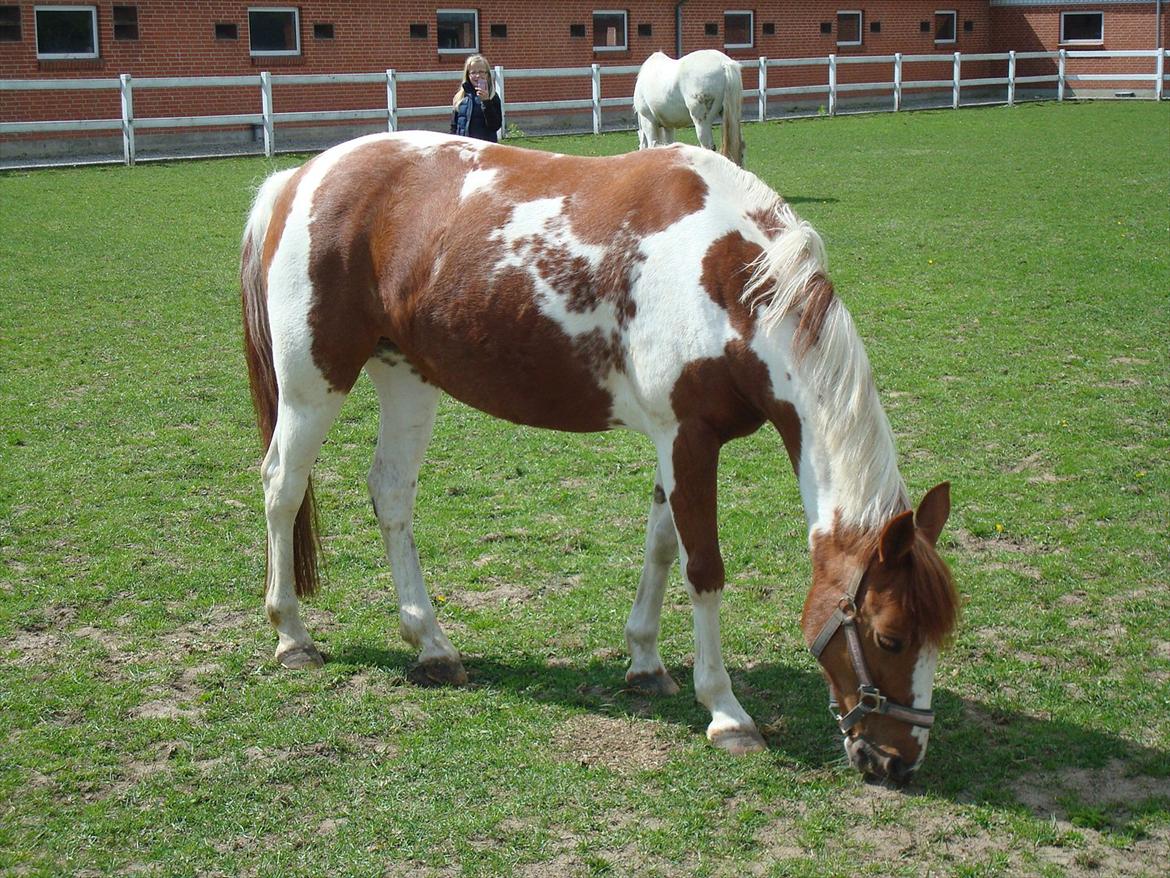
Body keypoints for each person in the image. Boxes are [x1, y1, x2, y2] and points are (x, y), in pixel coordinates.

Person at [450, 54, 502, 142]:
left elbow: (495, 126)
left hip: (484, 148)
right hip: (464, 146)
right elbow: (454, 126)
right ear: (468, 75)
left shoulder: (493, 97)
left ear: (487, 75)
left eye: (481, 72)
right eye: (473, 72)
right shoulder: (460, 97)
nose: (477, 75)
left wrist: (486, 102)